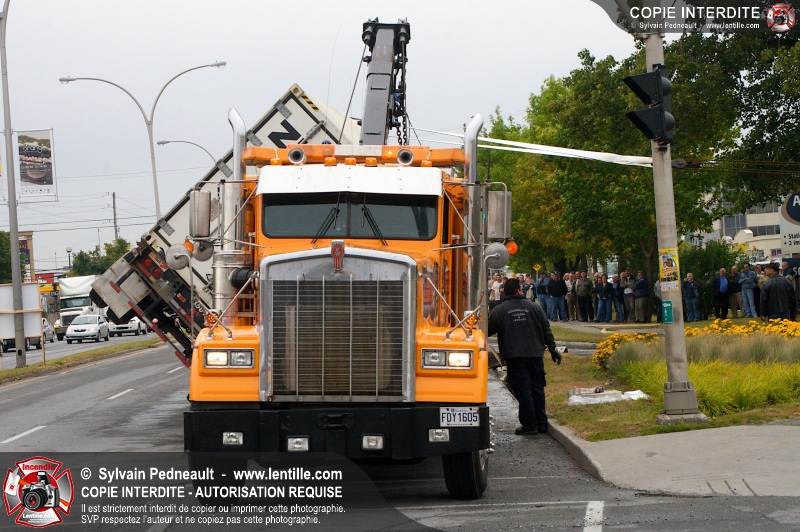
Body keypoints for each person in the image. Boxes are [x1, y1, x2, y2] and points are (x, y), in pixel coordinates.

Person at [488, 278, 561, 436]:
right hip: (535, 353)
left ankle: (529, 425)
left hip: (515, 356)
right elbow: (546, 329)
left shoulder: (499, 311)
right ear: (519, 290)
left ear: (505, 292)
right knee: (537, 388)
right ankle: (542, 423)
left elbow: (486, 330)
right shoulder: (534, 307)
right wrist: (552, 348)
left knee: (523, 390)